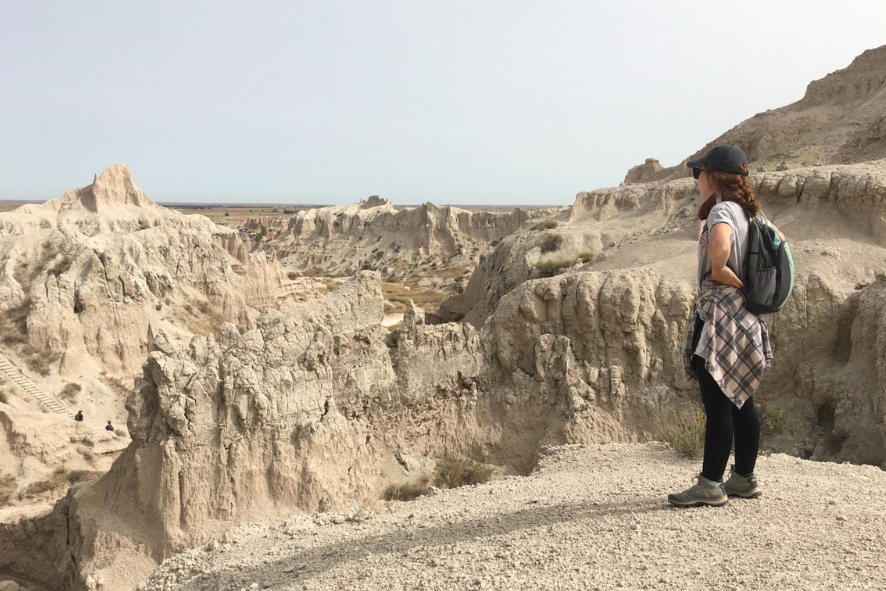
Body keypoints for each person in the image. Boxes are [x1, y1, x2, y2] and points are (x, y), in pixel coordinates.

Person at [668, 144, 772, 507]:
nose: (697, 178)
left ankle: (710, 484)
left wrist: (719, 268)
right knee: (742, 397)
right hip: (745, 314)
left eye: (700, 171)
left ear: (714, 175)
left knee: (718, 404)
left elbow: (719, 246)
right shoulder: (748, 211)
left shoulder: (723, 210)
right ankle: (744, 477)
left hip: (719, 316)